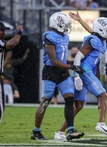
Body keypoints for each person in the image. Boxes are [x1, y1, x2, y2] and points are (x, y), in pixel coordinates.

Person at [67, 11, 107, 132]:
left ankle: (63, 130)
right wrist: (80, 20)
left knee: (80, 105)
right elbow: (92, 33)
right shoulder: (99, 38)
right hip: (99, 70)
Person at [55, 16, 107, 140]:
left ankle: (60, 132)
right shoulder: (94, 39)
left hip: (86, 71)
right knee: (104, 96)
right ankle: (101, 123)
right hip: (83, 70)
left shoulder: (100, 41)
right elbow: (78, 56)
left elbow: (96, 61)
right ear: (101, 30)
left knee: (78, 105)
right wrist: (77, 75)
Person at [31, 12, 85, 141]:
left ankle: (70, 130)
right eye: (65, 24)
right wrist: (71, 67)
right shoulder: (49, 36)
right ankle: (36, 132)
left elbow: (62, 58)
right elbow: (54, 61)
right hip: (51, 71)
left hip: (62, 71)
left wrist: (72, 64)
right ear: (58, 24)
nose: (67, 27)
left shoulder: (65, 37)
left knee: (70, 98)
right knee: (45, 102)